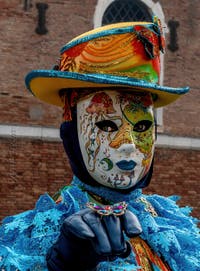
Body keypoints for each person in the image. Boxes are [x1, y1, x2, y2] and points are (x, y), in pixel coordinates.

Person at [0, 17, 199, 271]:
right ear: (71, 135)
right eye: (107, 125)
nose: (128, 145)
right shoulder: (32, 236)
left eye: (141, 127)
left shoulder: (172, 224)